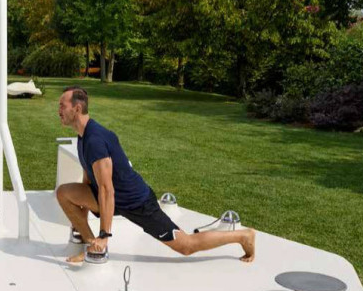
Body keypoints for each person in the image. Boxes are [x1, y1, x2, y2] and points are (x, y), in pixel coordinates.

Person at [55, 86, 256, 264]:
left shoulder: (95, 140)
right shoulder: (83, 137)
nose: (59, 111)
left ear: (77, 108)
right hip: (114, 200)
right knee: (64, 193)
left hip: (137, 203)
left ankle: (243, 236)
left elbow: (107, 190)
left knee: (186, 245)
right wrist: (89, 227)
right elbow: (88, 181)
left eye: (62, 106)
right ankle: (91, 246)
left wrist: (104, 236)